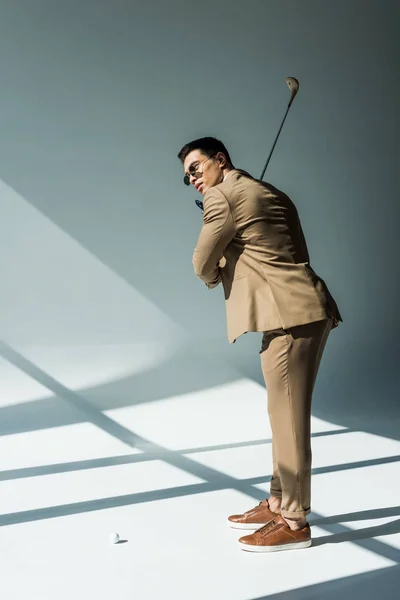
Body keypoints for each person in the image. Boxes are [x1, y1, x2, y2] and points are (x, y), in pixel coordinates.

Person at [177, 136, 342, 553]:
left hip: (290, 318)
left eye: (195, 169)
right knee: (281, 415)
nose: (193, 180)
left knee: (288, 420)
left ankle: (294, 520)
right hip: (304, 309)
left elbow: (201, 263)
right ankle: (277, 501)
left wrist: (216, 271)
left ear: (220, 160)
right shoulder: (271, 193)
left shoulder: (222, 197)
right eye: (186, 178)